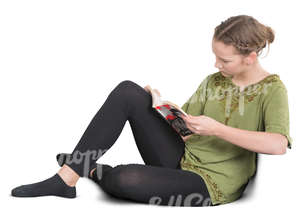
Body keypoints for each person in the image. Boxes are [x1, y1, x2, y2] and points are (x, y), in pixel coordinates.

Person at [11, 15, 292, 206]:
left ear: (250, 58)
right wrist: (161, 107)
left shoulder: (273, 90)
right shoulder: (214, 81)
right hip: (183, 154)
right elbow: (186, 126)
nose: (216, 65)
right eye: (215, 57)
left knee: (125, 178)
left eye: (224, 60)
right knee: (128, 92)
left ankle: (95, 170)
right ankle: (69, 175)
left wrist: (216, 128)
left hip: (211, 182)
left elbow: (278, 144)